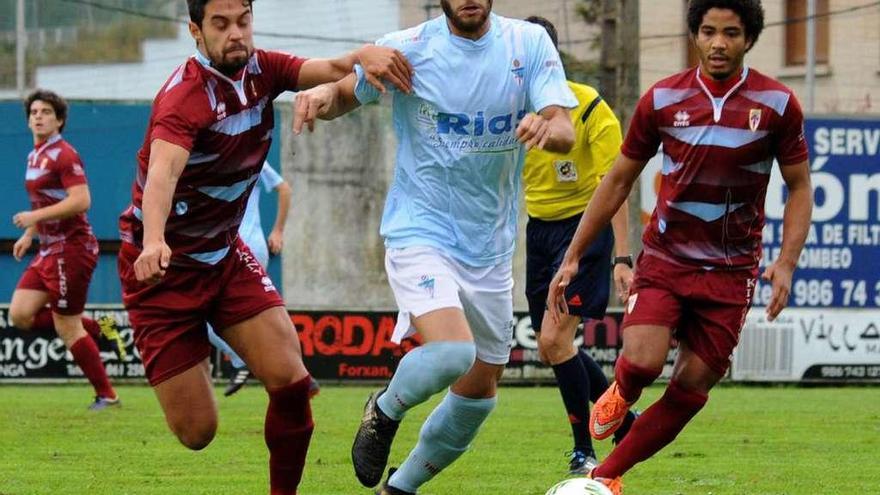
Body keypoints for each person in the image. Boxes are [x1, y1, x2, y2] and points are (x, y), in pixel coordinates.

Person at [115, 0, 412, 493]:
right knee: (198, 432)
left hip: (224, 259)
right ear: (195, 30)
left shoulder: (264, 69)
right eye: (221, 24)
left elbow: (333, 69)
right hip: (162, 271)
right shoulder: (183, 97)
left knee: (291, 382)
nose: (236, 34)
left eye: (243, 21)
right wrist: (152, 242)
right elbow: (162, 176)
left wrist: (366, 54)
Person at [293, 1, 577, 493]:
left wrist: (545, 129)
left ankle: (399, 488)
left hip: (489, 247)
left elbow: (564, 130)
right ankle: (384, 409)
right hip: (420, 228)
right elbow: (347, 92)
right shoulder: (407, 49)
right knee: (451, 353)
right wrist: (321, 96)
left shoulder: (527, 44)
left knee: (479, 394)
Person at [546, 1, 813, 493]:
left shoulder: (777, 105)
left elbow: (799, 186)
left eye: (730, 33)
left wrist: (788, 262)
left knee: (691, 387)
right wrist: (575, 252)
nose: (718, 43)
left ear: (748, 39)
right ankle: (623, 389)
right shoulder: (663, 99)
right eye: (708, 31)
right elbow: (618, 179)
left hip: (732, 273)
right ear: (695, 34)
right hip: (667, 259)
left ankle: (605, 478)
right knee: (644, 360)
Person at [522, 15, 637, 475]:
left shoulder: (588, 108)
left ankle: (584, 449)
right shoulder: (512, 111)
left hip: (584, 230)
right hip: (537, 231)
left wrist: (623, 257)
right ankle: (625, 420)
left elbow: (620, 184)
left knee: (554, 338)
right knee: (553, 347)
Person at [10, 89, 125, 411]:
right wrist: (30, 234)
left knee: (65, 325)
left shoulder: (64, 154)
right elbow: (45, 201)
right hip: (48, 248)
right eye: (34, 111)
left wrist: (34, 218)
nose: (38, 116)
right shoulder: (35, 155)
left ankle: (108, 396)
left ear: (59, 120)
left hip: (72, 248)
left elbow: (80, 201)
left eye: (46, 111)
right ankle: (102, 329)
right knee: (20, 314)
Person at [205, 161, 290, 397]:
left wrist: (279, 231)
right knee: (263, 315)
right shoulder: (252, 152)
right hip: (252, 247)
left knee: (200, 315)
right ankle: (297, 373)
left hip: (234, 247)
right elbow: (284, 188)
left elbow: (284, 188)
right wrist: (277, 231)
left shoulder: (237, 154)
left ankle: (241, 360)